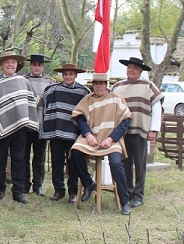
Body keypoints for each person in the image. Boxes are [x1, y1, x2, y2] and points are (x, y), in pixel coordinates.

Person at [71, 73, 132, 215]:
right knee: (76, 151)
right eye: (96, 83)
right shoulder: (87, 100)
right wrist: (87, 134)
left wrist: (111, 138)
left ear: (106, 84)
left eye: (101, 83)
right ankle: (88, 184)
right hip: (92, 137)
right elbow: (80, 117)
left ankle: (125, 201)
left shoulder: (116, 99)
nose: (98, 86)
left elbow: (125, 121)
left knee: (116, 163)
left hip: (111, 139)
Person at [111, 57, 164, 208]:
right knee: (125, 163)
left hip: (141, 130)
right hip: (122, 132)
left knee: (140, 164)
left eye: (135, 68)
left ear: (140, 70)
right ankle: (127, 192)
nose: (131, 70)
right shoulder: (117, 86)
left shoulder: (148, 86)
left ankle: (138, 195)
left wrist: (153, 129)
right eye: (129, 67)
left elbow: (157, 108)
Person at [0, 51, 37, 204]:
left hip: (20, 125)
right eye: (7, 62)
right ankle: (0, 188)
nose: (10, 64)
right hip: (1, 125)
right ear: (2, 65)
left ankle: (18, 190)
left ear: (17, 65)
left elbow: (31, 101)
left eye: (13, 62)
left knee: (19, 158)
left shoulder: (23, 81)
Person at [42, 63, 90, 204]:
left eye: (71, 74)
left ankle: (73, 192)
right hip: (56, 132)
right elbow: (45, 107)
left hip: (73, 133)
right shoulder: (53, 90)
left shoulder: (83, 92)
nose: (68, 77)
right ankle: (59, 190)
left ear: (76, 75)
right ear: (62, 75)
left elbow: (87, 112)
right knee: (57, 161)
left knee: (72, 163)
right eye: (66, 74)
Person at [23, 54, 55, 196]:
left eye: (39, 65)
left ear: (43, 66)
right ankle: (24, 184)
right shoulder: (23, 80)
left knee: (39, 157)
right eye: (34, 64)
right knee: (23, 156)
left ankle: (38, 185)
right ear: (30, 65)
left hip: (42, 124)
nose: (36, 67)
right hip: (26, 124)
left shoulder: (50, 82)